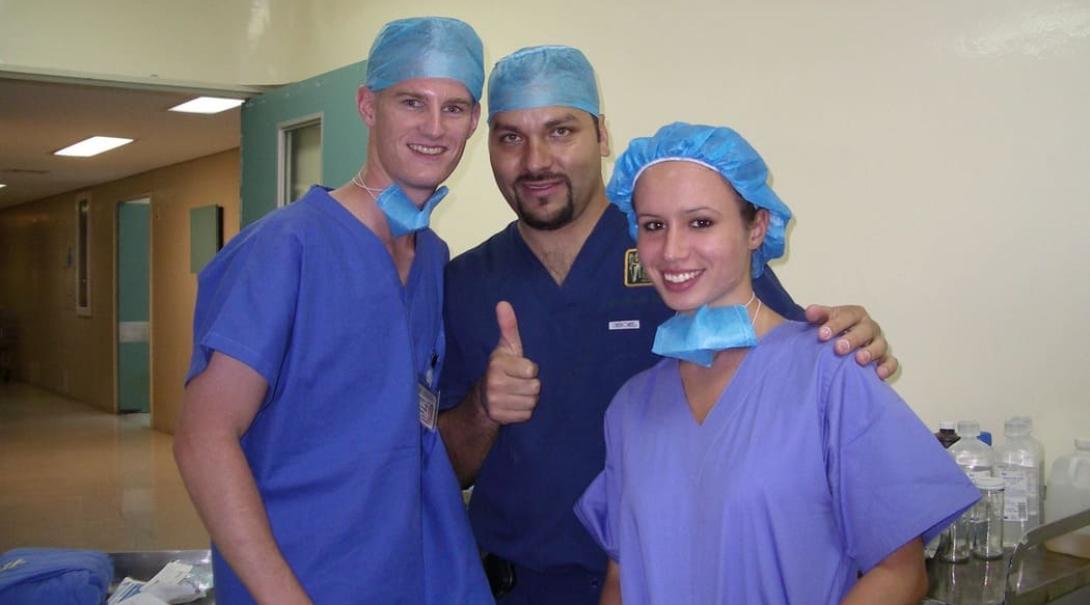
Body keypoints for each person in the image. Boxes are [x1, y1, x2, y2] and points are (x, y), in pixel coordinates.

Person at [438, 45, 898, 604]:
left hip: (665, 581)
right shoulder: (462, 283)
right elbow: (441, 469)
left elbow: (787, 355)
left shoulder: (676, 261)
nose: (536, 160)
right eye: (510, 136)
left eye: (561, 131)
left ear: (602, 135)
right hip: (519, 588)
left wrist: (855, 337)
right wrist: (483, 409)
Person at [575, 122, 978, 604]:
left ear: (757, 227)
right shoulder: (632, 407)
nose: (673, 250)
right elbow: (622, 581)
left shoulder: (830, 374)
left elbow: (900, 573)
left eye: (700, 222)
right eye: (653, 226)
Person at [173, 17, 492, 605]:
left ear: (474, 121)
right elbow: (203, 437)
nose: (433, 126)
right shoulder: (284, 248)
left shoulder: (430, 259)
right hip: (300, 576)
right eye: (411, 101)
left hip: (408, 571)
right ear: (368, 105)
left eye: (454, 108)